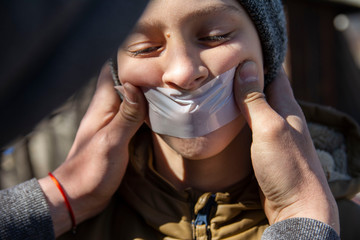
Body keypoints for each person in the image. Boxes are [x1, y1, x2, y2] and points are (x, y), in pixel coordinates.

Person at [1, 0, 343, 239]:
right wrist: (63, 200)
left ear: (269, 57)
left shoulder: (348, 219)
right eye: (143, 47)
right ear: (116, 75)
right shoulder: (56, 224)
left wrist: (301, 215)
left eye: (215, 36)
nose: (182, 73)